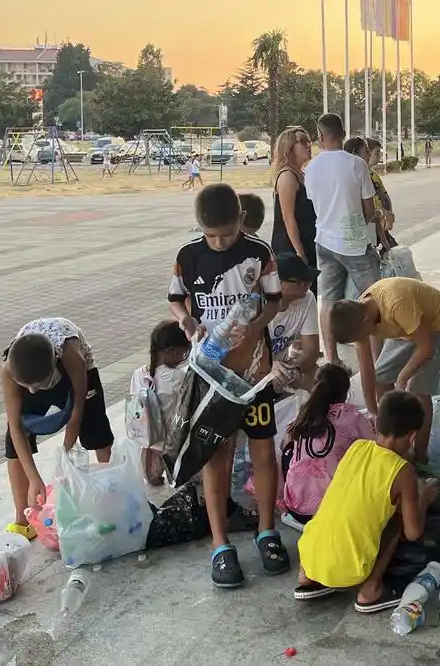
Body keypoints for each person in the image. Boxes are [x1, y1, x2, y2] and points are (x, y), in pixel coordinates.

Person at [168, 183, 290, 587]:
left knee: (263, 452)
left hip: (254, 375)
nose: (218, 242)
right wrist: (186, 320)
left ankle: (267, 531)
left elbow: (274, 301)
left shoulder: (259, 253)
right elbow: (175, 298)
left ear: (241, 220)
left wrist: (255, 330)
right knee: (216, 456)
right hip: (211, 377)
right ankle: (220, 544)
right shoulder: (188, 256)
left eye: (226, 233)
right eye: (211, 235)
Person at [294, 390, 438, 613]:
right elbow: (413, 533)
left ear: (377, 424)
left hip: (309, 559)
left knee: (335, 508)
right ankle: (370, 590)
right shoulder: (403, 472)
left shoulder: (357, 448)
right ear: (412, 436)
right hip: (350, 571)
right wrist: (425, 499)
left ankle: (307, 578)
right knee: (395, 522)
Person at [1, 318, 114, 539]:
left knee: (96, 429)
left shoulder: (71, 356)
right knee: (13, 443)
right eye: (27, 387)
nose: (33, 392)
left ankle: (109, 497)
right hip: (34, 371)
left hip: (77, 375)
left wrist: (64, 459)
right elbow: (15, 426)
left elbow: (76, 413)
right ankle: (23, 519)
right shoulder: (9, 370)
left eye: (39, 386)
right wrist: (34, 478)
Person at [328, 277, 440, 465]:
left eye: (364, 335)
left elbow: (425, 347)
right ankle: (396, 437)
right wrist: (373, 414)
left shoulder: (396, 303)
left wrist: (403, 378)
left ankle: (420, 457)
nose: (365, 339)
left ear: (366, 320)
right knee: (381, 378)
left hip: (435, 323)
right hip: (405, 329)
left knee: (418, 391)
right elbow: (368, 369)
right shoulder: (359, 318)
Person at [304, 113, 380, 364]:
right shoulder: (356, 164)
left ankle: (333, 358)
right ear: (344, 133)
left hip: (324, 241)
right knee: (373, 301)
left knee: (329, 300)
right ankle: (377, 361)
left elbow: (316, 204)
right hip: (355, 244)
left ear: (320, 136)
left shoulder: (311, 168)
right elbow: (369, 210)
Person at [280, 363, 375, 529]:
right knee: (366, 459)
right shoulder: (353, 417)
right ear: (346, 393)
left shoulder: (303, 413)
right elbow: (375, 449)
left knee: (290, 451)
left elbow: (284, 446)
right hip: (330, 513)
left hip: (297, 510)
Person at [129, 320, 190, 485]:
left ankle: (151, 475)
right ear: (172, 351)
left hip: (143, 432)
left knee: (149, 451)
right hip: (167, 435)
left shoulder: (138, 373)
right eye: (183, 352)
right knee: (169, 457)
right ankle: (171, 476)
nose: (184, 357)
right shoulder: (177, 377)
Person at [263, 253, 321, 393]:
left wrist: (292, 370)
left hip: (284, 367)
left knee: (317, 374)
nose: (308, 284)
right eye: (301, 282)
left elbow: (311, 352)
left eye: (308, 280)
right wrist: (268, 367)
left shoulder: (307, 298)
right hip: (255, 370)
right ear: (280, 284)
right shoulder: (256, 305)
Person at [270, 126, 318, 295]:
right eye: (302, 142)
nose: (308, 145)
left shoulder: (301, 174)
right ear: (289, 147)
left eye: (309, 141)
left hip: (307, 242)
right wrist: (299, 252)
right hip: (290, 248)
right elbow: (288, 217)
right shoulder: (287, 176)